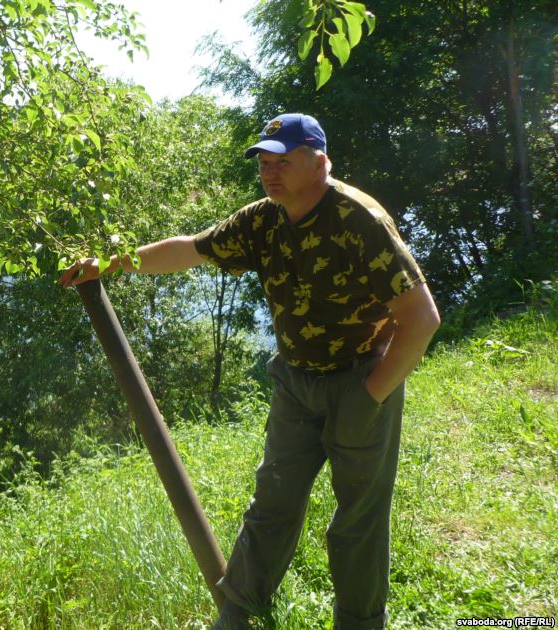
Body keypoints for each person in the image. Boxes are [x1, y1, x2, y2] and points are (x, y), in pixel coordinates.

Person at [59, 113, 440, 629]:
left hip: (360, 380)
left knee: (358, 523)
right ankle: (237, 614)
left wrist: (371, 393)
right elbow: (190, 249)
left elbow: (421, 318)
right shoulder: (263, 219)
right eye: (264, 161)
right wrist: (114, 262)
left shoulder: (358, 220)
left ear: (320, 162)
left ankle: (359, 623)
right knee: (272, 505)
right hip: (296, 384)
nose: (269, 171)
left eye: (282, 161)